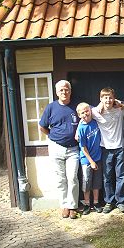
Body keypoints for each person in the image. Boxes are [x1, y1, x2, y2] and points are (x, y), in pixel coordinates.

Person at [39, 80, 80, 219]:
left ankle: (73, 206)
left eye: (66, 89)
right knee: (60, 179)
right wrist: (52, 136)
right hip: (56, 147)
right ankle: (64, 206)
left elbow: (92, 111)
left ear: (70, 91)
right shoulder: (51, 107)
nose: (64, 92)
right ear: (57, 92)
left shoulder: (76, 106)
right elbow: (42, 126)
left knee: (72, 177)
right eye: (61, 90)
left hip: (73, 149)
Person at [91, 87, 124, 214]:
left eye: (110, 97)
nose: (108, 100)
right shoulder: (95, 112)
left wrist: (117, 102)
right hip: (105, 148)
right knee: (107, 176)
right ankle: (109, 201)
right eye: (105, 97)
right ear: (100, 99)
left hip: (120, 147)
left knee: (121, 175)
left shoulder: (120, 110)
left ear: (114, 98)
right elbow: (83, 115)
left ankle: (121, 201)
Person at [76, 102, 103, 215]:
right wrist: (91, 161)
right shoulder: (81, 128)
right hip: (87, 160)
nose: (85, 114)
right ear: (79, 115)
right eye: (82, 112)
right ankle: (87, 203)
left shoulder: (96, 122)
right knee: (87, 182)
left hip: (98, 157)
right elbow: (83, 147)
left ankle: (96, 202)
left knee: (96, 182)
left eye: (87, 111)